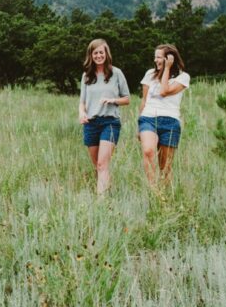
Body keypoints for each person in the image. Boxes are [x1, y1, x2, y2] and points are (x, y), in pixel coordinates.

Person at [79, 39, 130, 196]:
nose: (99, 55)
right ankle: (107, 191)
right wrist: (81, 113)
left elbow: (127, 99)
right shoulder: (86, 76)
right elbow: (82, 101)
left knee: (102, 164)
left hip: (110, 122)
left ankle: (101, 202)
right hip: (91, 124)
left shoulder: (116, 73)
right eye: (95, 53)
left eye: (101, 52)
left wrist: (113, 100)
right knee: (98, 166)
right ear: (91, 55)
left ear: (106, 54)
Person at [138, 44, 190, 187]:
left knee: (165, 166)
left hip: (170, 121)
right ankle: (153, 189)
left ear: (169, 59)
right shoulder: (150, 74)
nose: (155, 60)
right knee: (148, 151)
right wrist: (139, 125)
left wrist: (166, 69)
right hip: (148, 118)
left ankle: (164, 196)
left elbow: (164, 91)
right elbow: (144, 99)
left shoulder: (183, 77)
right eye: (155, 57)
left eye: (159, 57)